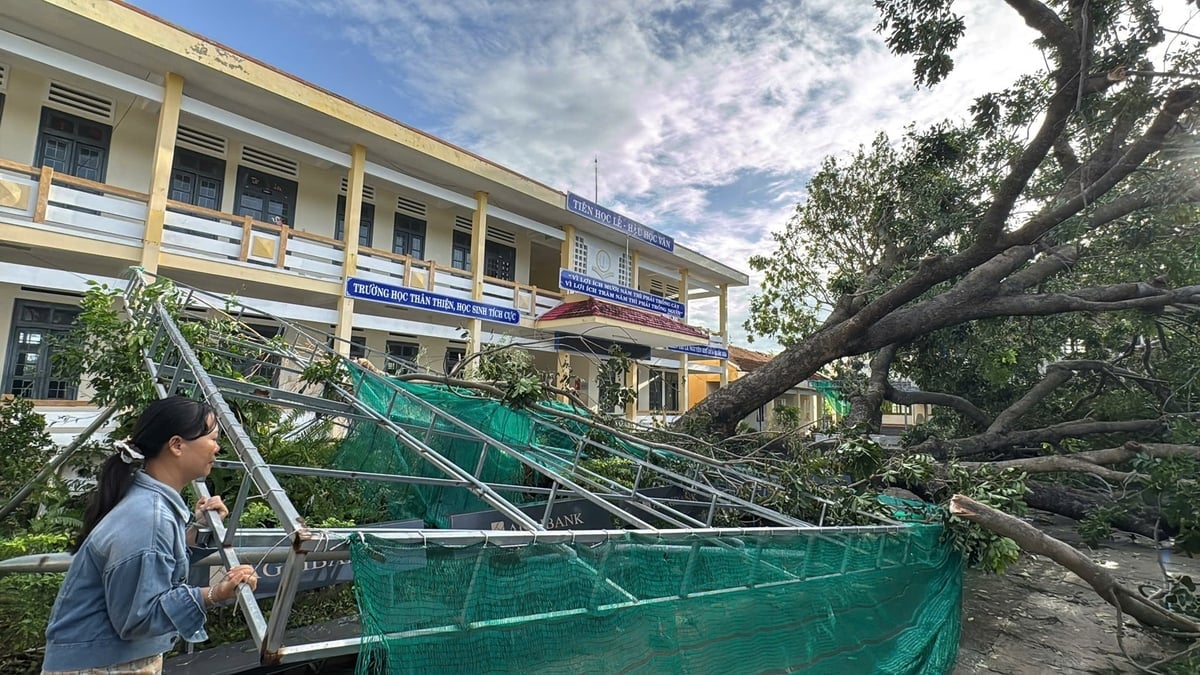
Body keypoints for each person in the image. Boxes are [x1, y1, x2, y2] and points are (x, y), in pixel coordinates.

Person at [42, 397, 259, 674]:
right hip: (103, 666)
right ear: (177, 445)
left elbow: (155, 561)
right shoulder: (148, 517)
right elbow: (139, 617)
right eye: (213, 438)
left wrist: (199, 530)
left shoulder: (145, 502)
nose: (217, 447)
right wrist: (216, 593)